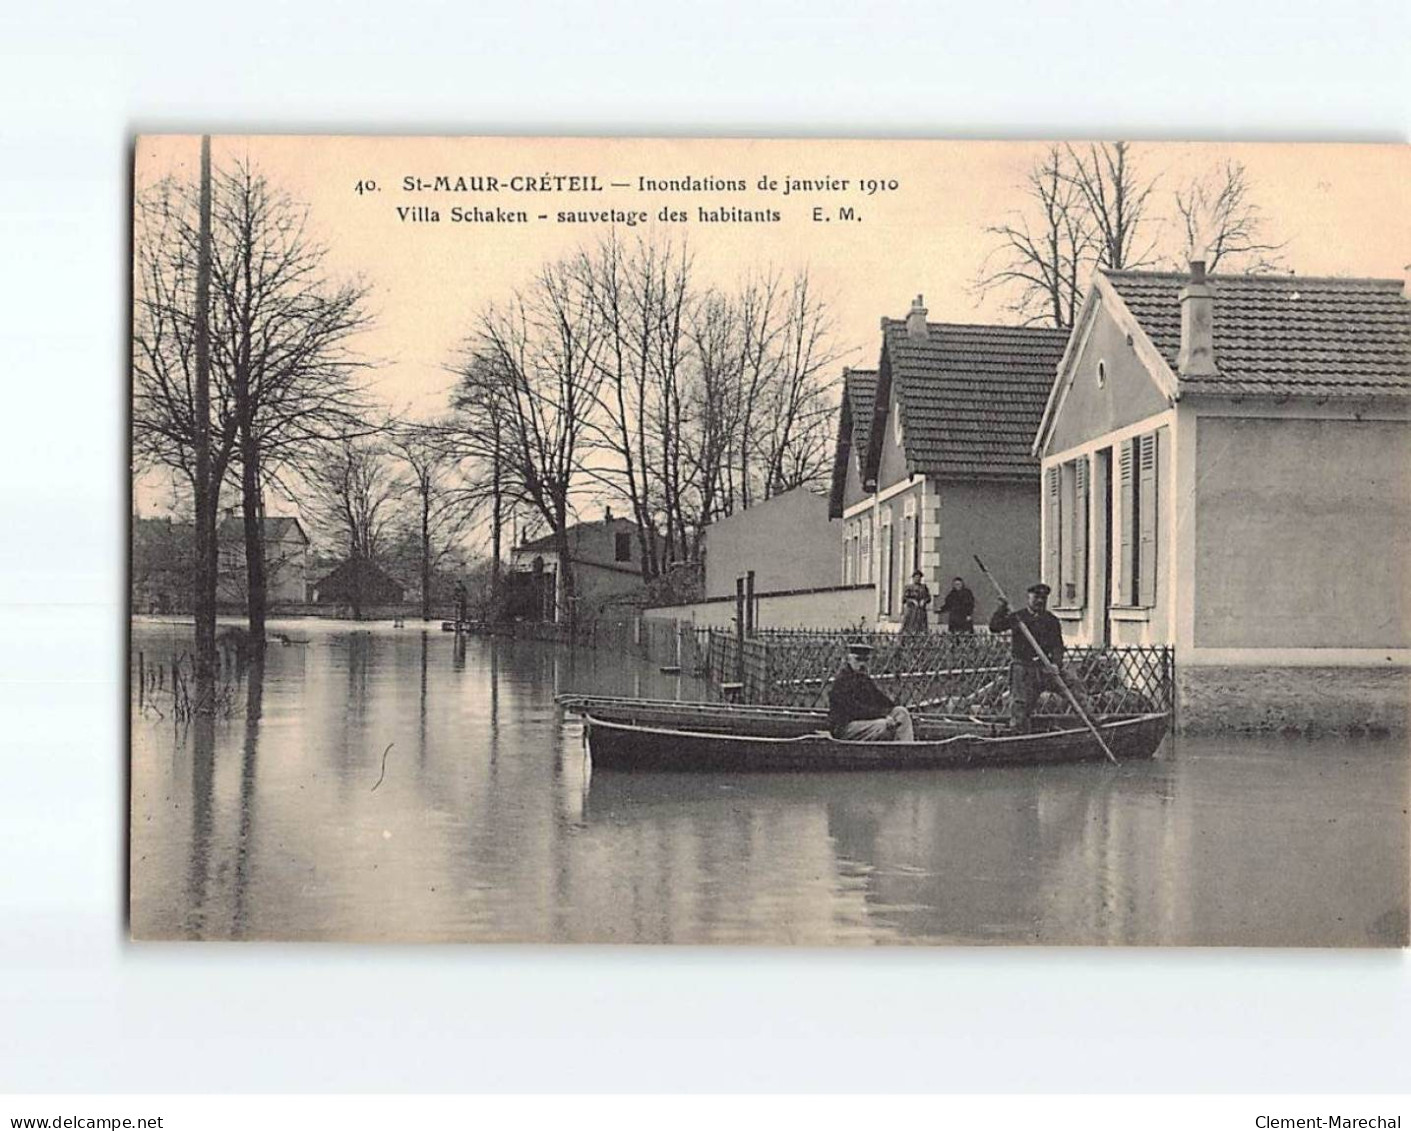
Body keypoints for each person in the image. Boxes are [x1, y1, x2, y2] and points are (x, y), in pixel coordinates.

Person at [988, 582, 1087, 731]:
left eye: (1043, 598)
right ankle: (1019, 734)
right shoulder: (1018, 617)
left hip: (1045, 667)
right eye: (1036, 597)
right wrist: (1002, 608)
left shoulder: (1051, 620)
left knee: (1073, 685)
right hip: (1023, 668)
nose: (1040, 601)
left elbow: (1057, 646)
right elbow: (994, 627)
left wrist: (1056, 664)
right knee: (1021, 704)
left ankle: (1090, 720)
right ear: (1029, 597)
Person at [827, 641, 915, 742]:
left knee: (901, 712)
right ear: (849, 660)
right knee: (883, 725)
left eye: (866, 660)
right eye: (858, 659)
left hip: (866, 723)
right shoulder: (843, 681)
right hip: (846, 727)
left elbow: (881, 700)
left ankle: (906, 750)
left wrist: (893, 711)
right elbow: (855, 710)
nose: (862, 664)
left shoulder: (864, 679)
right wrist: (884, 716)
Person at [900, 570, 931, 634]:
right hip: (911, 611)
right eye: (916, 577)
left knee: (922, 627)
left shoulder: (924, 587)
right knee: (909, 627)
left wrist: (924, 601)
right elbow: (904, 599)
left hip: (921, 611)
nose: (918, 579)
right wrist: (912, 601)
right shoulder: (908, 587)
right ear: (913, 578)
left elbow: (928, 598)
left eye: (919, 577)